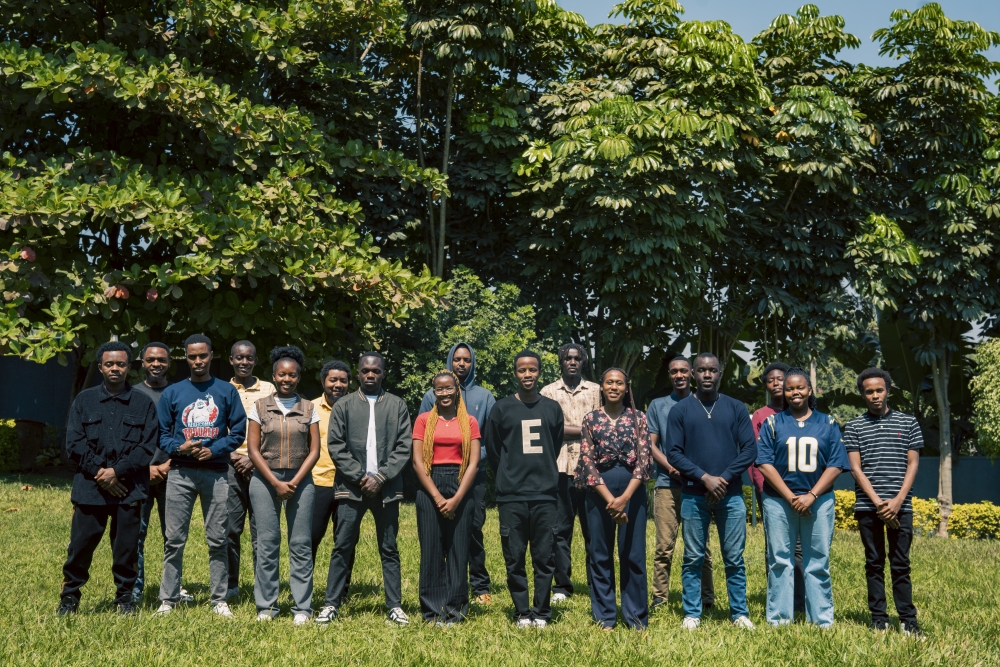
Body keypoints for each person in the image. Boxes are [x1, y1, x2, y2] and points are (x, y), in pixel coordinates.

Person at [58, 341, 159, 616]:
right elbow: (74, 444)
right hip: (90, 489)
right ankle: (69, 598)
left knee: (126, 550)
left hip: (130, 489)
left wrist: (117, 472)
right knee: (79, 548)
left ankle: (124, 599)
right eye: (110, 364)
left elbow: (146, 447)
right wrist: (102, 473)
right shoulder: (84, 400)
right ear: (101, 367)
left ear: (129, 367)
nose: (115, 368)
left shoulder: (143, 403)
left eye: (121, 364)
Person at [316, 352, 412, 626]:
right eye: (366, 371)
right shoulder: (344, 405)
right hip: (351, 488)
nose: (371, 375)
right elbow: (336, 445)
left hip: (387, 488)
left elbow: (404, 445)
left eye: (376, 371)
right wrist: (361, 476)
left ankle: (394, 605)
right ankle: (331, 604)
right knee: (342, 545)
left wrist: (381, 476)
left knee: (389, 547)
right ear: (358, 373)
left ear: (383, 373)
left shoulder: (397, 405)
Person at [155, 334, 247, 617]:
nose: (198, 361)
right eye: (192, 356)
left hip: (217, 473)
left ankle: (219, 599)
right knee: (174, 539)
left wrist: (215, 449)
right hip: (181, 473)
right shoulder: (173, 392)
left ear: (211, 355)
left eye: (203, 356)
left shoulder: (226, 391)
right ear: (185, 357)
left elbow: (239, 431)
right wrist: (179, 448)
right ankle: (168, 599)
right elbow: (161, 435)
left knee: (218, 538)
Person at [667, 352, 757, 630]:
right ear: (693, 374)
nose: (707, 375)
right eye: (702, 370)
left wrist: (724, 479)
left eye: (713, 370)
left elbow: (750, 449)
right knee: (693, 557)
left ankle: (739, 613)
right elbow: (673, 453)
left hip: (731, 497)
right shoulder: (680, 410)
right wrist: (705, 478)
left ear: (720, 373)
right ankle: (692, 613)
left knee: (734, 558)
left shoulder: (736, 407)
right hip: (694, 495)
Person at [756, 368, 850, 628]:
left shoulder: (828, 423)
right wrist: (791, 498)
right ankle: (779, 620)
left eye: (800, 388)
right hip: (777, 501)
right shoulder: (773, 423)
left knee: (817, 560)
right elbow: (764, 463)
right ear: (783, 394)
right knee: (780, 560)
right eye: (789, 389)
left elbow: (836, 464)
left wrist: (810, 495)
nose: (795, 392)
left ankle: (821, 621)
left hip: (819, 501)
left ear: (810, 390)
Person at [485, 350, 563, 628]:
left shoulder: (552, 408)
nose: (527, 375)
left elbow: (554, 445)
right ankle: (521, 612)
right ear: (515, 373)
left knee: (544, 556)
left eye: (532, 370)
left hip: (544, 495)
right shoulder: (501, 409)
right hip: (512, 496)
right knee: (514, 557)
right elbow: (494, 451)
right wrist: (509, 475)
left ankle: (541, 612)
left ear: (540, 371)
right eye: (522, 370)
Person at [845, 368, 923, 637]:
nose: (875, 395)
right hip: (869, 507)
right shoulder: (854, 426)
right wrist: (879, 504)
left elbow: (913, 464)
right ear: (863, 394)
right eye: (869, 391)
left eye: (879, 390)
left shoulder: (909, 423)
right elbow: (856, 468)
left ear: (888, 390)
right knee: (874, 562)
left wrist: (898, 501)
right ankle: (879, 619)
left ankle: (908, 620)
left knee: (901, 563)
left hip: (902, 506)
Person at [246, 346, 321, 625]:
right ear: (274, 376)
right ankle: (266, 606)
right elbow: (253, 450)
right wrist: (276, 482)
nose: (286, 379)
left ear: (298, 377)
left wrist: (294, 481)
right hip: (265, 480)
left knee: (300, 543)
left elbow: (314, 451)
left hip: (301, 480)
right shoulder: (259, 407)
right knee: (267, 542)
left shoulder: (308, 408)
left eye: (292, 375)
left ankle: (302, 607)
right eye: (281, 375)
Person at [418, 343, 496, 605]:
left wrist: (472, 461)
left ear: (472, 363)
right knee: (436, 536)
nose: (462, 364)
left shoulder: (484, 397)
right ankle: (439, 588)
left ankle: (479, 583)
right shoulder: (432, 397)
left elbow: (491, 438)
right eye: (457, 359)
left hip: (473, 474)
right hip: (438, 474)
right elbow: (426, 437)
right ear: (450, 362)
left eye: (467, 360)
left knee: (472, 529)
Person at [576, 368, 652, 630]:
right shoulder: (590, 419)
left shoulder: (639, 417)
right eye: (609, 382)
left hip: (633, 489)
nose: (614, 387)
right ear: (602, 386)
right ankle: (605, 616)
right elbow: (586, 460)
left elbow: (644, 461)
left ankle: (635, 617)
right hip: (600, 492)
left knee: (633, 554)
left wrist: (625, 498)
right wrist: (611, 499)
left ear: (626, 387)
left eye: (619, 383)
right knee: (600, 554)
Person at [412, 371, 482, 624]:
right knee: (431, 549)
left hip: (460, 482)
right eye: (438, 389)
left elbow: (474, 462)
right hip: (430, 483)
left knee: (458, 550)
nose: (443, 393)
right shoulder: (422, 420)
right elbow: (418, 462)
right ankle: (432, 611)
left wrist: (456, 498)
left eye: (448, 388)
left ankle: (455, 610)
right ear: (433, 392)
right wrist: (438, 497)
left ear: (456, 390)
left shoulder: (470, 422)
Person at [647, 356, 714, 611]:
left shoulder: (704, 404)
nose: (679, 375)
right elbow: (650, 444)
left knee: (702, 548)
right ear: (669, 374)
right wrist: (671, 466)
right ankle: (659, 599)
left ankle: (707, 598)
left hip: (697, 485)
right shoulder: (658, 405)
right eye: (674, 371)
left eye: (684, 371)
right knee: (664, 546)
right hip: (667, 483)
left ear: (692, 373)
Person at [540, 343, 600, 603]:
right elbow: (550, 429)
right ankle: (563, 585)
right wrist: (587, 429)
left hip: (591, 469)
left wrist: (570, 428)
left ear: (583, 362)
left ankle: (596, 581)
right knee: (560, 530)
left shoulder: (597, 391)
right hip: (559, 468)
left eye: (577, 358)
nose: (572, 362)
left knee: (593, 530)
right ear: (561, 362)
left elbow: (604, 426)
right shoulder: (548, 392)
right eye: (567, 358)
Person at [131, 342, 191, 603]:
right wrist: (145, 467)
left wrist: (167, 465)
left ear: (169, 363)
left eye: (161, 360)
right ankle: (134, 590)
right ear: (142, 362)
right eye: (150, 360)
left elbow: (188, 432)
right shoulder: (131, 394)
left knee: (173, 537)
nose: (156, 364)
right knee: (135, 535)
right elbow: (125, 439)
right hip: (136, 475)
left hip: (174, 474)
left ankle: (173, 589)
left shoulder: (180, 393)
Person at [750, 361, 805, 615]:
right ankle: (778, 601)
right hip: (771, 492)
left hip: (802, 493)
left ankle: (800, 601)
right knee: (775, 547)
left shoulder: (805, 414)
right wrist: (764, 489)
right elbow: (756, 456)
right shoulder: (761, 416)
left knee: (800, 549)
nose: (776, 383)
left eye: (780, 378)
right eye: (771, 380)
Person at [226, 340, 275, 599]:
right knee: (231, 529)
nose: (244, 362)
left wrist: (253, 459)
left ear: (256, 361)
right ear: (231, 360)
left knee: (261, 530)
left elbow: (275, 427)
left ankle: (262, 585)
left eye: (249, 358)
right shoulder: (221, 388)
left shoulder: (269, 388)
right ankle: (231, 584)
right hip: (229, 466)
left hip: (261, 467)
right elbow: (215, 426)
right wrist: (234, 455)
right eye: (239, 358)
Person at [311, 361, 351, 566]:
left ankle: (340, 594)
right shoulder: (310, 409)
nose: (338, 385)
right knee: (310, 538)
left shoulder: (355, 408)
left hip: (348, 484)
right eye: (332, 380)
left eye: (343, 381)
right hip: (318, 482)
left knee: (345, 541)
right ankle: (302, 591)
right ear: (323, 381)